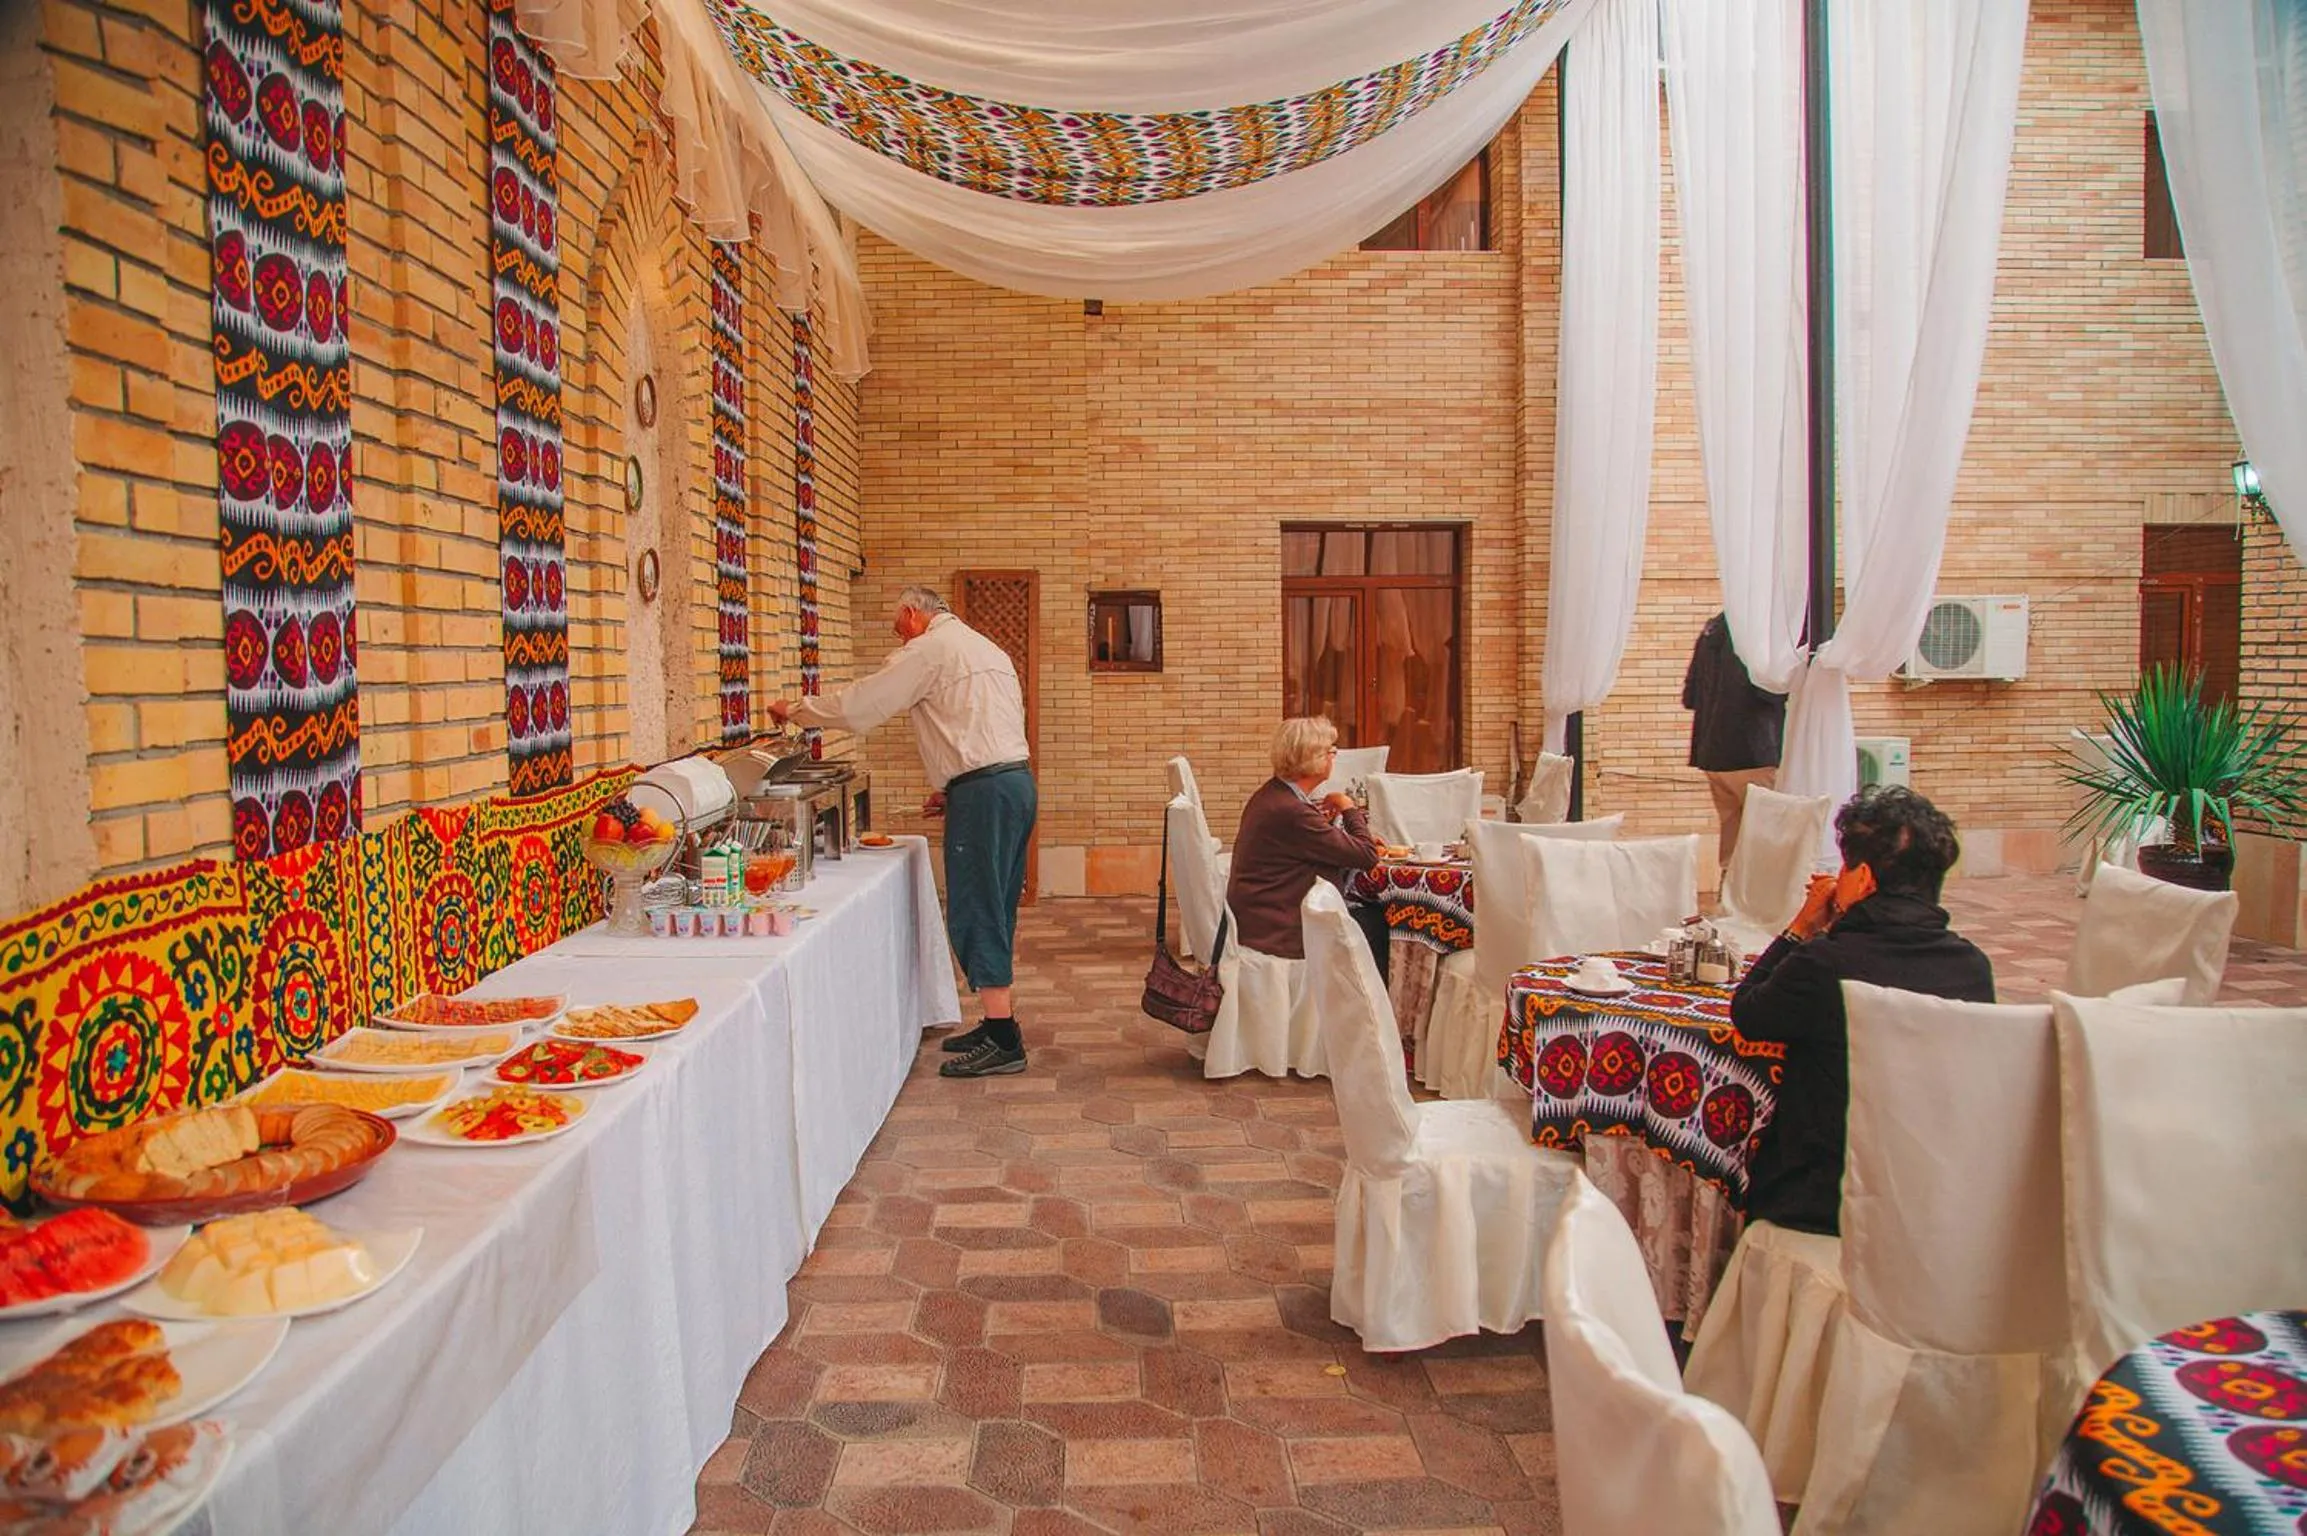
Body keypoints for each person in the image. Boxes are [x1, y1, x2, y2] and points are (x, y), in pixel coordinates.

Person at [769, 586, 1036, 1080]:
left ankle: (1004, 1039)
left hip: (987, 792)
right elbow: (983, 725)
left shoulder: (931, 649)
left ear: (913, 615)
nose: (897, 637)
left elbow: (862, 706)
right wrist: (958, 787)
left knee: (976, 905)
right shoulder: (984, 648)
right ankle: (997, 1021)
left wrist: (795, 710)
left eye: (897, 626)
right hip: (1012, 782)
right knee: (995, 904)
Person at [1729, 786, 1994, 1236]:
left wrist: (1802, 926)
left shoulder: (1826, 965)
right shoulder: (1972, 969)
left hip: (1818, 1199)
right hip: (1928, 1198)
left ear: (1864, 879)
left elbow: (1749, 1013)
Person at [1226, 717, 1388, 975]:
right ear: (1312, 759)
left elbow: (1309, 846)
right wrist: (1348, 807)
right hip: (1279, 928)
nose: (1334, 757)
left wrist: (1335, 833)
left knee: (1368, 916)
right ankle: (1359, 1011)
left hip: (1261, 917)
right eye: (1330, 751)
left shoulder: (1273, 794)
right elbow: (1367, 856)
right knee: (1380, 922)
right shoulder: (1292, 811)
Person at [1682, 612, 1788, 869]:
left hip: (1712, 754)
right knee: (1769, 837)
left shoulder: (1711, 631)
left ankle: (1727, 899)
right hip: (1755, 751)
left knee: (1733, 834)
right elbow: (1770, 692)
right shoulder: (1761, 632)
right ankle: (1762, 904)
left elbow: (1690, 697)